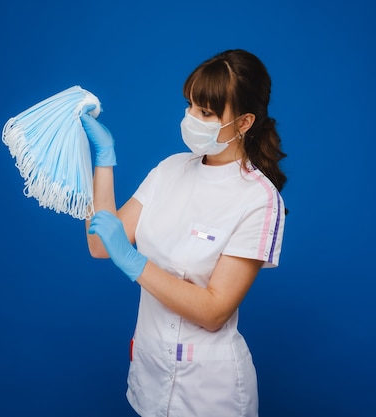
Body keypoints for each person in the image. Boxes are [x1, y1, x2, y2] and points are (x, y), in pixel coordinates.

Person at [81, 49, 287, 417]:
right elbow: (99, 243)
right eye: (190, 106)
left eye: (206, 113)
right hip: (150, 377)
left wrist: (131, 260)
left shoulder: (259, 199)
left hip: (211, 394)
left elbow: (213, 312)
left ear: (243, 123)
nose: (192, 118)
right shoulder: (170, 170)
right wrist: (101, 160)